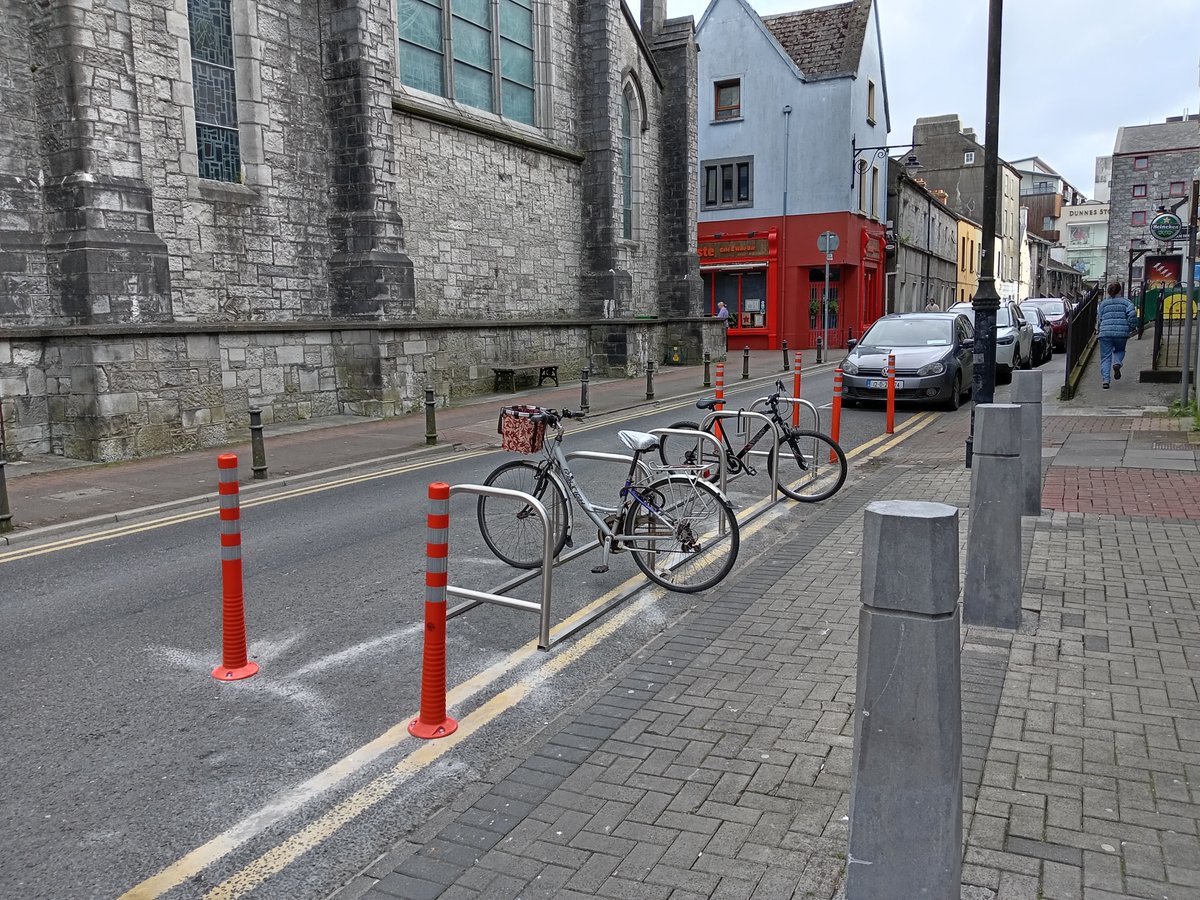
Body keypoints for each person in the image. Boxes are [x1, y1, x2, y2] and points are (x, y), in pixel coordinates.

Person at [1096, 281, 1138, 389]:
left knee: (1105, 357)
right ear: (1120, 291)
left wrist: (1100, 328)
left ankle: (1105, 380)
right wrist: (1131, 327)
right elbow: (1132, 315)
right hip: (1121, 333)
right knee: (1120, 350)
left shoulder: (1103, 304)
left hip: (1105, 333)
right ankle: (1117, 363)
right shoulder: (1127, 303)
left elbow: (1099, 318)